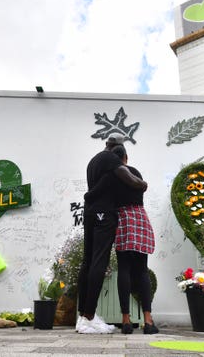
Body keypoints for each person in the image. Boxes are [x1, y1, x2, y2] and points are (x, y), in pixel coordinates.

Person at [76, 133, 148, 334]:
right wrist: (143, 184)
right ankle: (89, 317)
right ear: (119, 148)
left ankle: (83, 316)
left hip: (90, 212)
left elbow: (100, 186)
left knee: (87, 261)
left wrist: (89, 196)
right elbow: (130, 180)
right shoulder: (111, 159)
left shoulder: (94, 160)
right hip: (103, 214)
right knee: (100, 261)